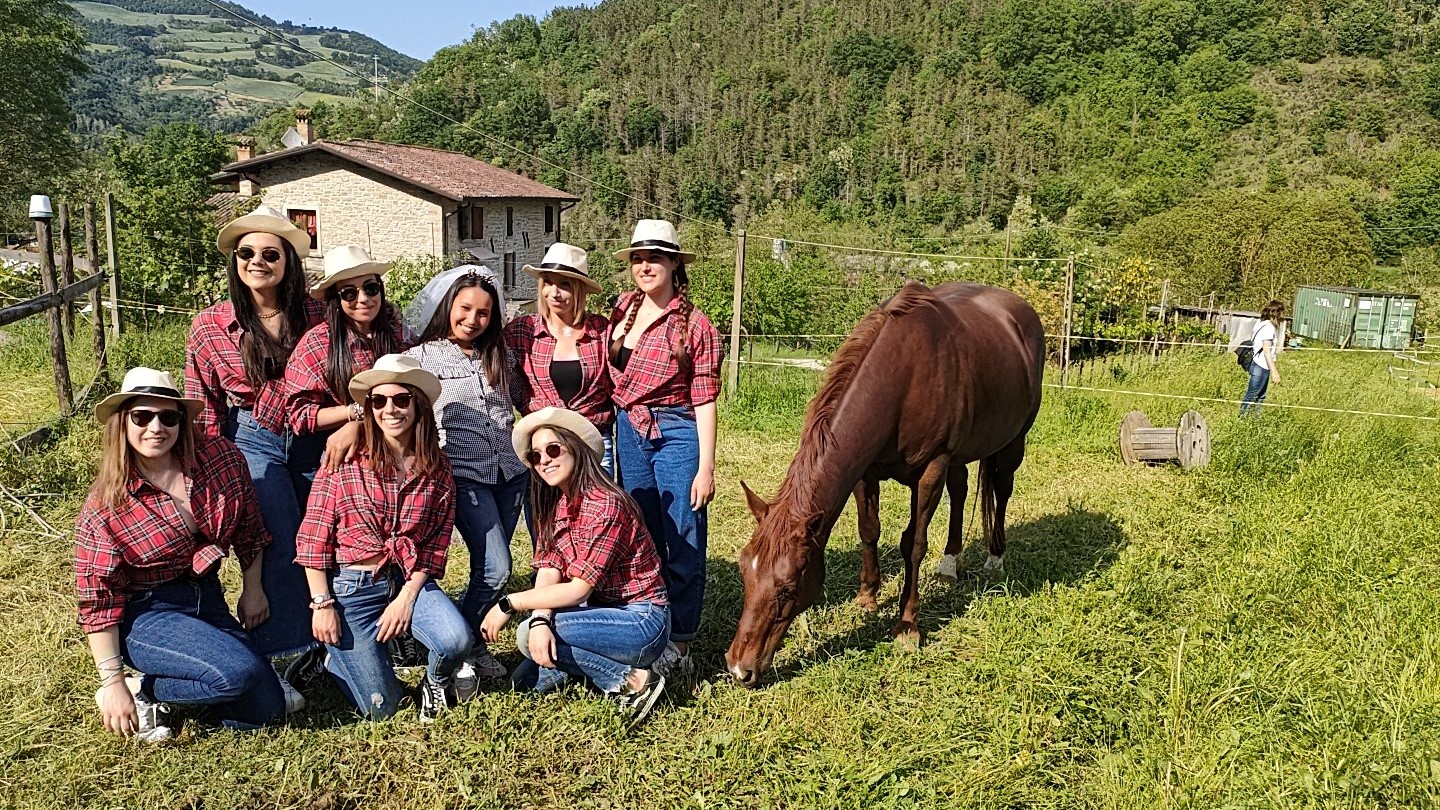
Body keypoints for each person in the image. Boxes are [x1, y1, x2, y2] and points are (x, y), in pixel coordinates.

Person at [76, 368, 286, 742]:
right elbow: (98, 599)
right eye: (142, 416)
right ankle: (141, 692)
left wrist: (253, 589)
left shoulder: (219, 459)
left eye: (168, 416)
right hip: (147, 611)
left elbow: (249, 529)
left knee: (267, 711)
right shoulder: (105, 505)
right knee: (239, 673)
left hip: (207, 595)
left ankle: (167, 693)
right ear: (123, 424)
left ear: (182, 421)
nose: (156, 427)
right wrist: (111, 682)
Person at [185, 204, 324, 700]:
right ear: (235, 262)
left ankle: (336, 635)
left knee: (327, 534)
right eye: (247, 253)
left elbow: (364, 349)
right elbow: (203, 404)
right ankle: (284, 646)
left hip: (318, 435)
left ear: (288, 261)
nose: (257, 261)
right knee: (278, 534)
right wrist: (202, 466)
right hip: (254, 434)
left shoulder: (317, 313)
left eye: (270, 253)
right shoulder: (211, 326)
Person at [294, 354, 473, 721]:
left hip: (407, 579)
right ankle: (332, 660)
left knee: (456, 640)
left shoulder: (437, 466)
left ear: (417, 405)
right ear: (369, 408)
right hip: (353, 587)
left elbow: (435, 545)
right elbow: (314, 536)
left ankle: (434, 681)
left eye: (401, 400)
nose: (390, 409)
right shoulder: (345, 459)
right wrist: (323, 604)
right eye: (379, 401)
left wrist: (407, 599)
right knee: (383, 709)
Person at [480, 407, 669, 722]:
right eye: (536, 456)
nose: (545, 461)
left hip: (641, 622)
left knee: (527, 637)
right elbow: (550, 567)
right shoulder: (558, 504)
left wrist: (510, 603)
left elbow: (580, 588)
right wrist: (541, 618)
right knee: (524, 681)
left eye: (553, 449)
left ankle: (631, 681)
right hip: (599, 616)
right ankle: (581, 667)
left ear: (577, 449)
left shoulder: (607, 505)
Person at [607, 219, 722, 678]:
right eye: (638, 257)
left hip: (676, 430)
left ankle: (681, 639)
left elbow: (705, 396)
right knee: (643, 531)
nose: (645, 265)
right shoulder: (624, 309)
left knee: (683, 535)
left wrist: (706, 466)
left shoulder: (695, 325)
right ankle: (648, 624)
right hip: (628, 428)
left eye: (655, 256)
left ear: (675, 263)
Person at [402, 265, 527, 681]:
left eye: (484, 313)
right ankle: (465, 641)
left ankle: (465, 638)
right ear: (447, 305)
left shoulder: (501, 356)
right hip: (464, 473)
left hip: (510, 472)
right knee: (497, 567)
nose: (473, 320)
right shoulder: (422, 357)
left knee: (487, 568)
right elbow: (409, 416)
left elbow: (523, 401)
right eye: (465, 308)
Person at [504, 243, 615, 473]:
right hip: (543, 447)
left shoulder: (601, 330)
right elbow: (502, 371)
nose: (554, 293)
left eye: (564, 284)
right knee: (544, 510)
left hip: (592, 441)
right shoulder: (522, 331)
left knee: (598, 508)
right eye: (548, 282)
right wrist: (529, 407)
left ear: (579, 289)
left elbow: (618, 381)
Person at [1241, 300, 1285, 416]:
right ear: (1276, 313)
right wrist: (1275, 372)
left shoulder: (1260, 324)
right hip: (1260, 365)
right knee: (1253, 396)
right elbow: (1266, 351)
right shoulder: (1268, 328)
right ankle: (1242, 419)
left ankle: (1253, 421)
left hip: (1259, 365)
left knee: (1259, 396)